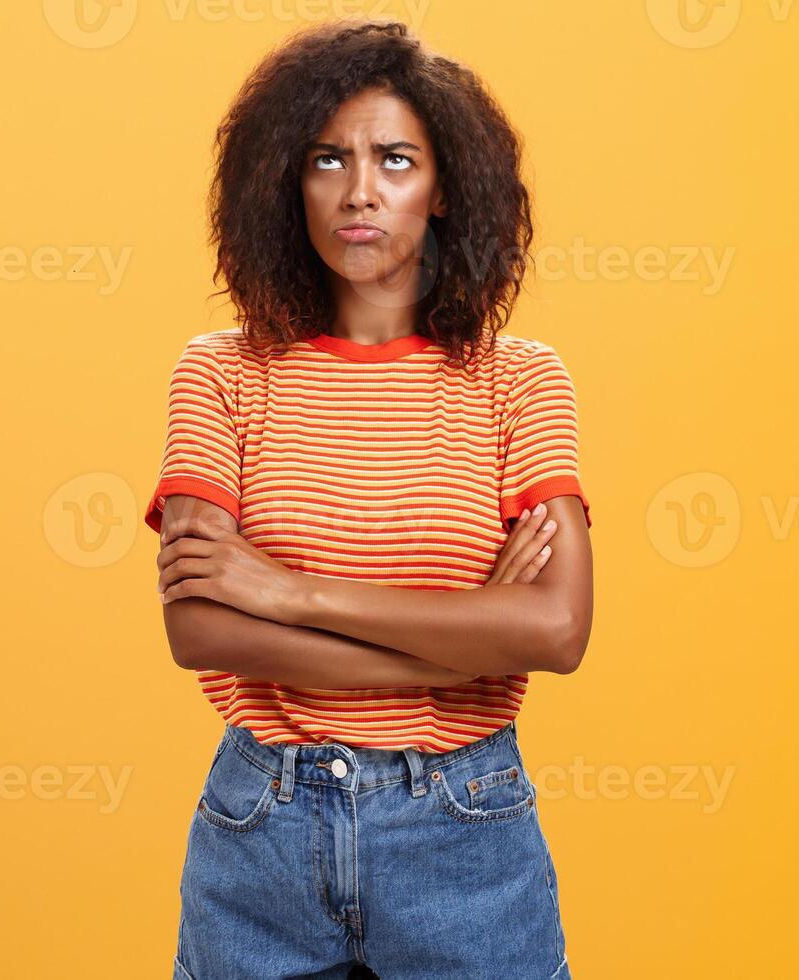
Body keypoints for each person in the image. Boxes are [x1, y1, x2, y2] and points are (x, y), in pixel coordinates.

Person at [148, 19, 593, 979]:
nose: (360, 192)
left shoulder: (518, 381)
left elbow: (556, 634)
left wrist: (284, 591)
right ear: (286, 182)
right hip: (261, 831)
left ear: (443, 191)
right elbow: (199, 633)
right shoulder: (221, 374)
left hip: (464, 830)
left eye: (396, 160)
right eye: (327, 159)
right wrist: (470, 630)